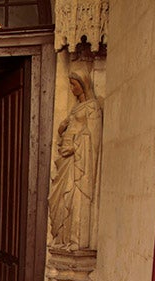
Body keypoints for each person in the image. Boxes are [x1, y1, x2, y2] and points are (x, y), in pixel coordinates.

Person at [48, 71, 102, 252]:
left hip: (79, 162)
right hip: (65, 160)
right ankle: (62, 238)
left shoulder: (92, 107)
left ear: (84, 84)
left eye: (74, 85)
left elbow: (93, 136)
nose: (71, 89)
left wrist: (75, 147)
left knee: (74, 197)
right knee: (59, 198)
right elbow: (68, 128)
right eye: (70, 85)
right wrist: (62, 128)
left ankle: (75, 241)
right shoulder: (75, 109)